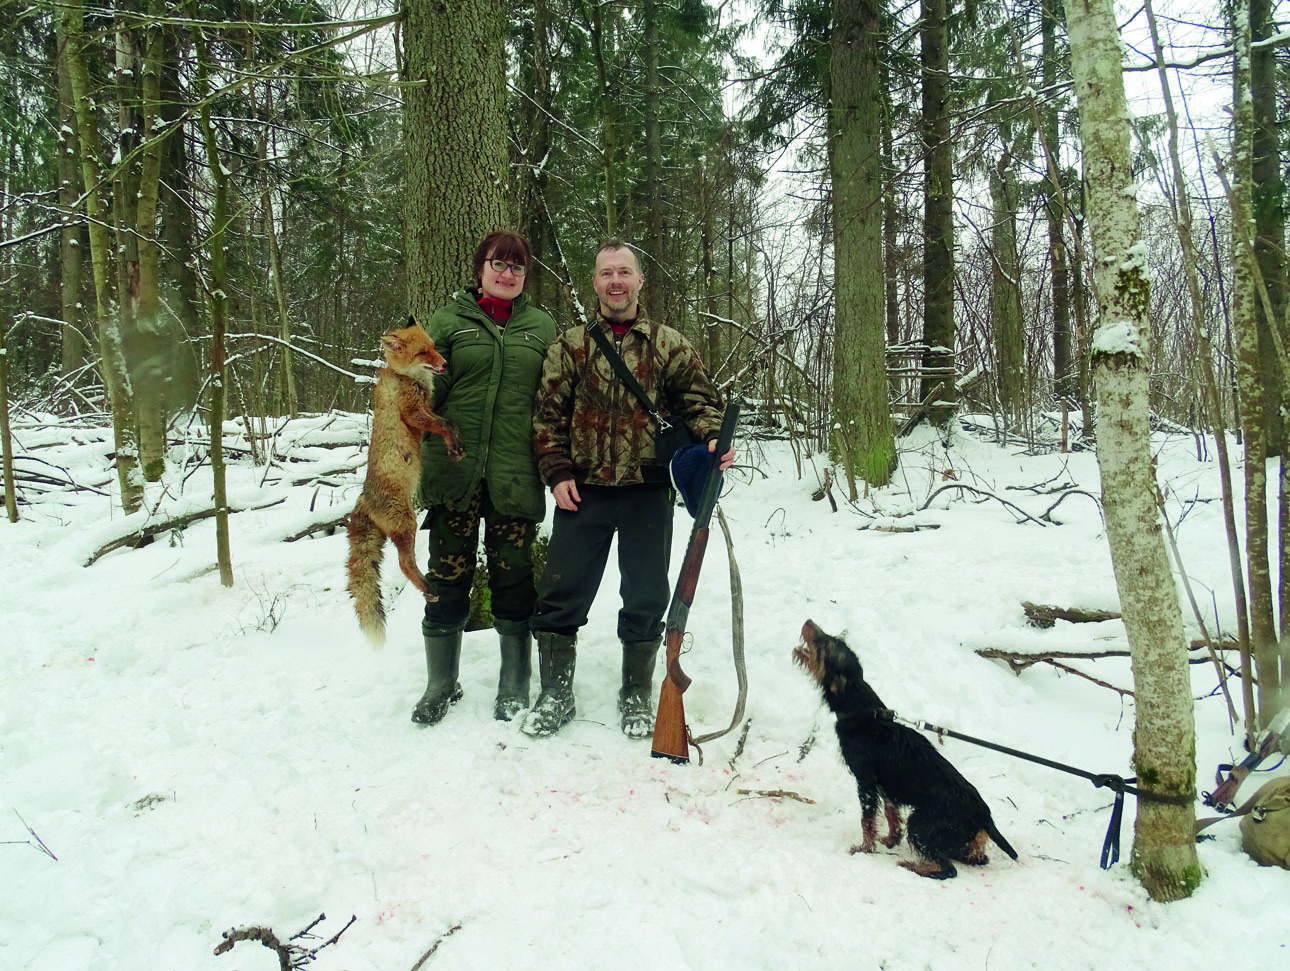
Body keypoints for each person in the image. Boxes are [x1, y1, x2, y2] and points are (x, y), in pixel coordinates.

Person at [526, 238, 734, 739]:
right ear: (594, 283)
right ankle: (555, 692)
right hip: (583, 491)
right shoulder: (571, 345)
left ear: (640, 280)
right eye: (606, 274)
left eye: (625, 272)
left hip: (648, 489)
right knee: (560, 594)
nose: (616, 282)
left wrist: (713, 441)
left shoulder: (668, 343)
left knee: (645, 595)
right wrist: (557, 473)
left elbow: (701, 403)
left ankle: (637, 694)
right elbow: (546, 417)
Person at [413, 230, 557, 725]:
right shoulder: (448, 321)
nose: (507, 273)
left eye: (517, 267)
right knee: (446, 576)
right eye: (499, 263)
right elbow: (424, 393)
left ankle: (514, 681)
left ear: (525, 275)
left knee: (513, 578)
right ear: (480, 268)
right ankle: (441, 683)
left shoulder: (542, 326)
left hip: (515, 473)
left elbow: (554, 400)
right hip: (455, 469)